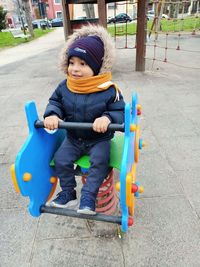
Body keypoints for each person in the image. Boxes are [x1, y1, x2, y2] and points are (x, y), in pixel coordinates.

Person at [44, 24, 125, 215]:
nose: (75, 69)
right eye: (72, 63)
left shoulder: (108, 89)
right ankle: (68, 193)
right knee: (61, 159)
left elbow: (119, 111)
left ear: (96, 67)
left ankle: (88, 196)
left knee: (99, 161)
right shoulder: (65, 86)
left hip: (99, 140)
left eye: (82, 64)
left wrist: (107, 118)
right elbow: (55, 101)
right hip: (74, 139)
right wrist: (53, 114)